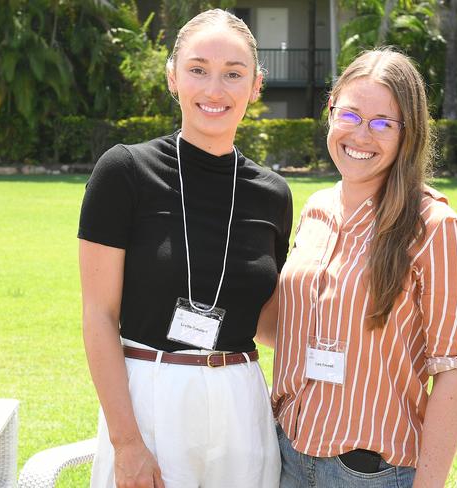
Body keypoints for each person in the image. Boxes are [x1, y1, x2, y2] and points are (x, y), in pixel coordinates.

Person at [78, 9, 292, 488]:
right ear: (172, 77)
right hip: (152, 394)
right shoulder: (124, 172)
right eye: (198, 69)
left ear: (256, 86)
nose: (215, 90)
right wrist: (127, 443)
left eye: (233, 75)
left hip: (241, 402)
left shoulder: (272, 192)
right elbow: (98, 316)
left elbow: (270, 324)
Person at [269, 49, 457, 487]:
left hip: (367, 473)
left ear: (408, 133)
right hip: (287, 454)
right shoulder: (316, 209)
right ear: (330, 112)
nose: (361, 135)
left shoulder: (438, 230)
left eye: (383, 123)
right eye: (350, 115)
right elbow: (285, 328)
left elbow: (452, 374)